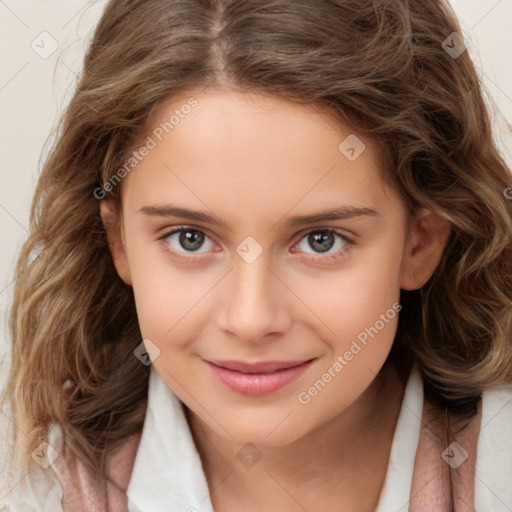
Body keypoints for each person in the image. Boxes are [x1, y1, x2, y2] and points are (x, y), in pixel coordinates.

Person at [1, 0, 512, 510]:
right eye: (190, 239)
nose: (250, 320)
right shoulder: (32, 489)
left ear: (418, 243)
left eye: (321, 240)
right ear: (119, 242)